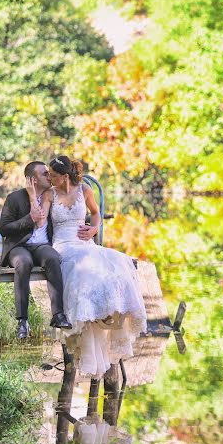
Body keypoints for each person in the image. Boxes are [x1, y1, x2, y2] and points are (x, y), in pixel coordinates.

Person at [35, 155, 147, 378]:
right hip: (63, 245)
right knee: (81, 265)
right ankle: (87, 316)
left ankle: (106, 311)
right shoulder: (49, 194)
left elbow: (95, 214)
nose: (49, 178)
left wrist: (94, 230)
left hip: (84, 241)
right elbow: (40, 222)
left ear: (65, 176)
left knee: (115, 261)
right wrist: (33, 199)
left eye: (53, 175)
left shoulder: (85, 190)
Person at [0, 161, 72, 339]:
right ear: (33, 179)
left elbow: (68, 215)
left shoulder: (52, 196)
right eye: (44, 173)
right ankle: (22, 321)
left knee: (53, 258)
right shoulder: (15, 198)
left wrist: (87, 228)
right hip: (19, 247)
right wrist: (29, 219)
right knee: (24, 263)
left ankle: (58, 314)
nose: (49, 176)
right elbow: (4, 229)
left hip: (42, 245)